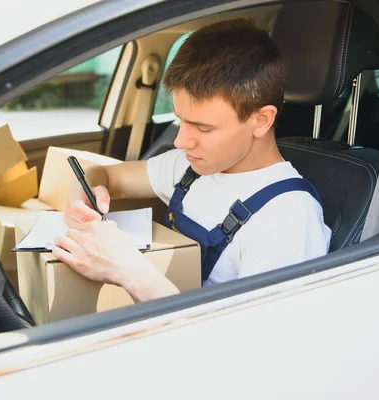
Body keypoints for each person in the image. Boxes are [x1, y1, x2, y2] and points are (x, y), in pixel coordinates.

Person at [52, 18, 332, 302]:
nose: (180, 141)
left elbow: (249, 342)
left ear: (261, 120)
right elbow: (110, 176)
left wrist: (128, 269)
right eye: (180, 121)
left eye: (203, 127)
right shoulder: (189, 167)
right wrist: (86, 193)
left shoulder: (288, 218)